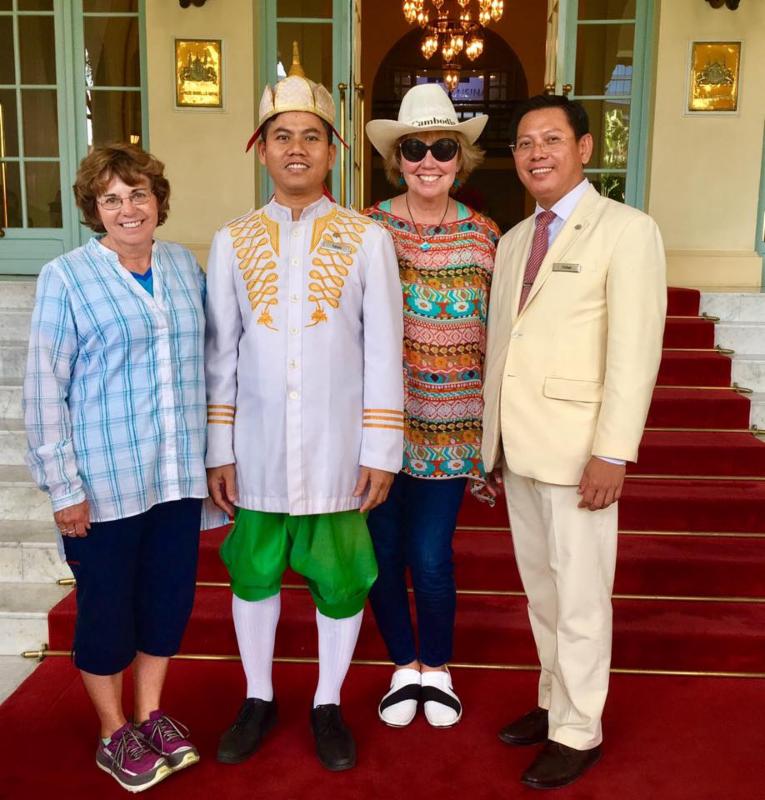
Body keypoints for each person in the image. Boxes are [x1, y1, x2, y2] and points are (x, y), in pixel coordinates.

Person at [204, 46, 404, 772]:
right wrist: (217, 448)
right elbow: (219, 354)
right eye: (281, 135)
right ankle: (258, 695)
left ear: (332, 150)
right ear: (261, 150)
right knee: (252, 574)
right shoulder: (231, 241)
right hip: (254, 448)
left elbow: (385, 350)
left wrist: (381, 451)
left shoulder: (366, 239)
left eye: (310, 135)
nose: (296, 149)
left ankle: (326, 700)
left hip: (336, 451)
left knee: (340, 578)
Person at [481, 94, 666, 789]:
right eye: (525, 143)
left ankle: (578, 728)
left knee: (583, 595)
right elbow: (504, 345)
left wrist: (612, 451)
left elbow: (634, 350)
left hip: (578, 448)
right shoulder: (512, 240)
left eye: (550, 140)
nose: (536, 154)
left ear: (583, 148)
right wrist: (487, 445)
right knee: (542, 593)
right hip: (519, 448)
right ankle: (551, 700)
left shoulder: (625, 230)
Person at [23, 144, 208, 793]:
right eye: (111, 199)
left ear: (157, 199)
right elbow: (44, 388)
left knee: (166, 603)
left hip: (176, 476)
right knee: (105, 612)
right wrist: (62, 487)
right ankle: (112, 732)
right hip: (102, 486)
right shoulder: (66, 277)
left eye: (137, 194)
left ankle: (149, 714)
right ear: (93, 210)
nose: (128, 208)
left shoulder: (184, 265)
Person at [363, 83, 499, 729]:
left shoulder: (484, 236)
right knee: (383, 554)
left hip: (451, 428)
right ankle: (402, 665)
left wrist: (494, 436)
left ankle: (436, 668)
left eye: (442, 147)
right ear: (397, 156)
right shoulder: (366, 229)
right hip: (381, 429)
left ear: (459, 157)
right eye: (414, 147)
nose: (427, 159)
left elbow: (502, 336)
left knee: (430, 555)